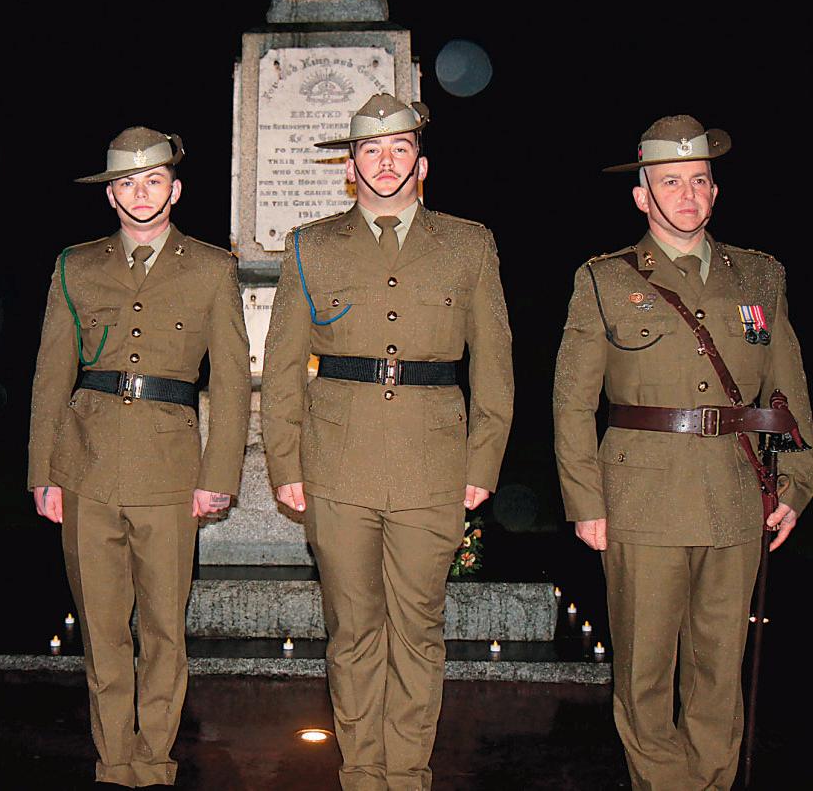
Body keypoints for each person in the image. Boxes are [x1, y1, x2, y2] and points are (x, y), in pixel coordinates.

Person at [260, 94, 514, 789]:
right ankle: (362, 773)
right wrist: (285, 463)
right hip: (336, 465)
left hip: (435, 465)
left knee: (420, 630)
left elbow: (495, 364)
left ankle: (407, 774)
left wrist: (483, 462)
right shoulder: (310, 246)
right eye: (370, 150)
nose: (385, 161)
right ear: (351, 167)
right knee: (352, 630)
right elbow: (282, 367)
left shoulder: (469, 244)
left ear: (421, 164)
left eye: (400, 148)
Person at [553, 114, 813, 789]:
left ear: (715, 191)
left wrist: (794, 485)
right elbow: (572, 403)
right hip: (640, 502)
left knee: (719, 672)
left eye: (699, 180)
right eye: (670, 182)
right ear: (642, 195)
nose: (688, 194)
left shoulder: (759, 276)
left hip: (736, 495)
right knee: (644, 674)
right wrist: (585, 501)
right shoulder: (604, 279)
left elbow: (787, 390)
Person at [27, 126, 250, 787]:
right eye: (127, 183)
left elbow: (231, 380)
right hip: (86, 464)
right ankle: (114, 762)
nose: (141, 193)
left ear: (175, 190)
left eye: (154, 180)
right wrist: (43, 473)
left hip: (170, 469)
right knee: (102, 631)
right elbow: (50, 374)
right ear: (111, 196)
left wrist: (218, 474)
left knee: (163, 631)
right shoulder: (75, 265)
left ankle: (154, 762)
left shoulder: (211, 267)